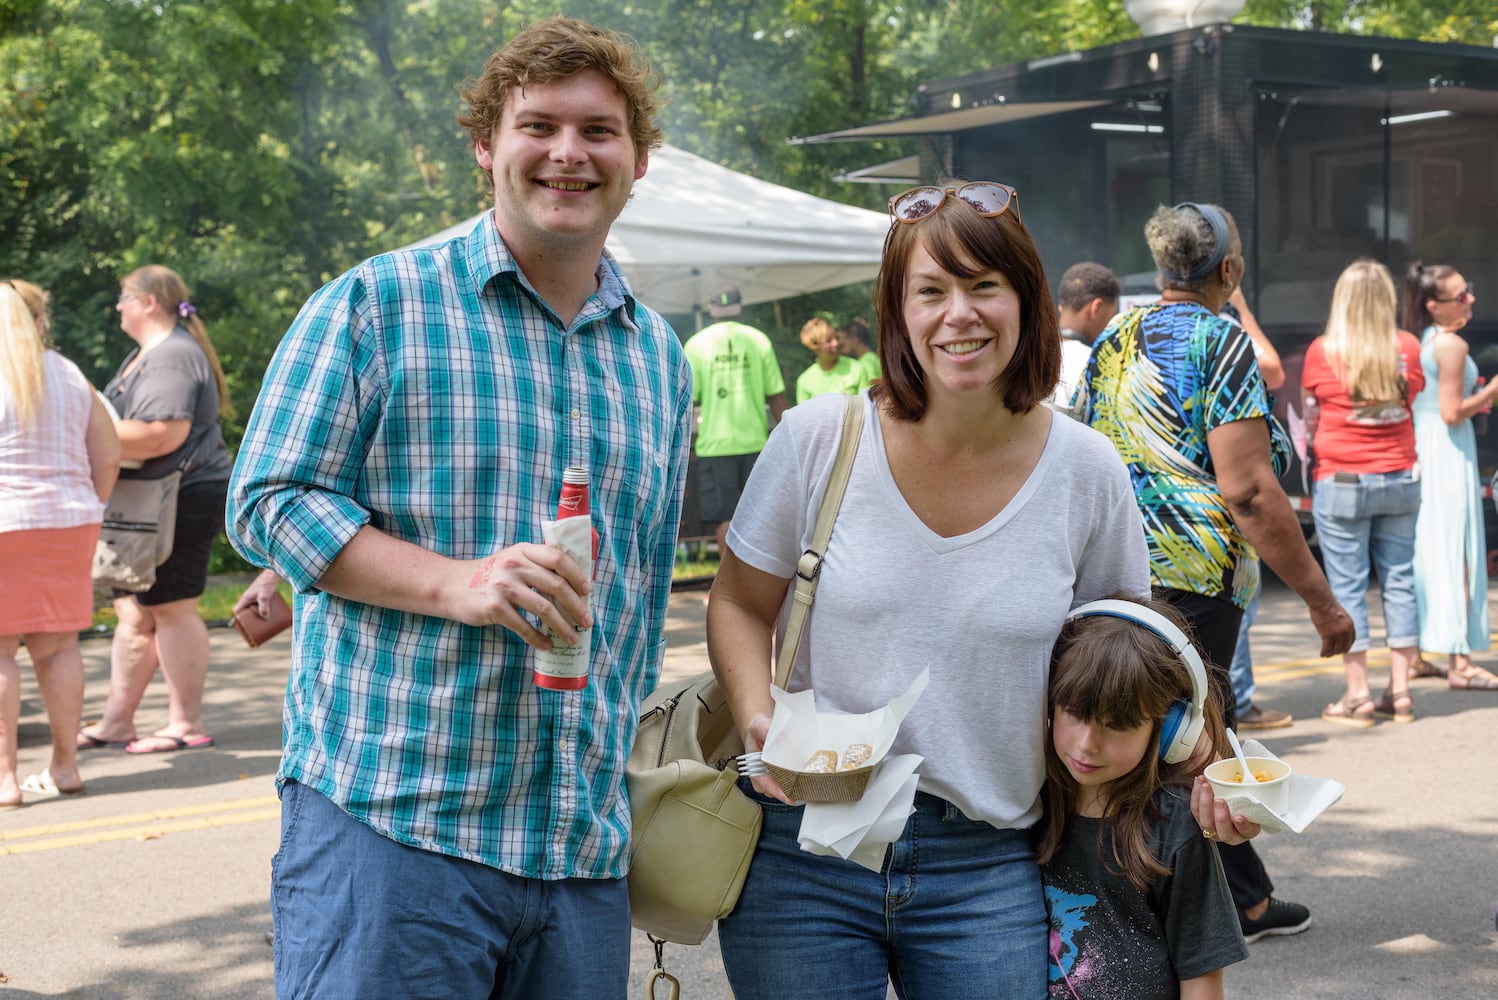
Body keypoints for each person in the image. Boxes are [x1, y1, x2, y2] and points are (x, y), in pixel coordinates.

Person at [227, 18, 692, 998]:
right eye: (540, 125)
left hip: (579, 843)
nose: (569, 152)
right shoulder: (376, 303)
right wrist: (456, 584)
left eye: (599, 131)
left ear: (638, 159)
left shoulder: (658, 355)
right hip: (396, 829)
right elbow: (268, 497)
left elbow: (640, 590)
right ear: (487, 145)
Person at [708, 181, 1252, 999]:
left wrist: (1209, 762)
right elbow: (739, 605)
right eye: (930, 290)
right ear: (897, 310)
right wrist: (758, 715)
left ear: (1026, 300)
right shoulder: (817, 439)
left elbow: (1129, 665)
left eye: (982, 286)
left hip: (989, 859)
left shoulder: (1085, 470)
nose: (957, 313)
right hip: (804, 850)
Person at [1078, 201, 1355, 944]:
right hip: (1196, 572)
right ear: (1228, 270)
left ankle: (1243, 895)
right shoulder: (1221, 340)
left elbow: (1079, 439)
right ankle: (1214, 905)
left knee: (1173, 732)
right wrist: (1323, 604)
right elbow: (1248, 490)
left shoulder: (1114, 334)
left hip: (1115, 564)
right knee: (1188, 737)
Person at [1040, 596, 1247, 1000]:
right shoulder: (1029, 804)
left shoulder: (1175, 827)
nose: (1087, 745)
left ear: (1170, 732)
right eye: (1075, 713)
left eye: (1117, 725)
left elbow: (1202, 977)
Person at [76, 265, 232, 756]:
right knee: (134, 613)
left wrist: (74, 430)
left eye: (123, 297)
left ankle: (185, 724)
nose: (117, 306)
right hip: (150, 501)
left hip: (181, 496)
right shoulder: (148, 354)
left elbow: (161, 434)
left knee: (171, 608)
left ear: (148, 302)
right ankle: (118, 722)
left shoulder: (171, 357)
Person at [0, 280, 120, 806]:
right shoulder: (70, 373)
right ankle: (65, 766)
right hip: (68, 520)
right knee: (58, 648)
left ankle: (4, 778)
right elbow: (108, 452)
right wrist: (92, 505)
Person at [1301, 260, 1426, 726]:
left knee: (1348, 585)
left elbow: (1313, 408)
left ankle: (1358, 694)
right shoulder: (1408, 347)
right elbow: (1411, 397)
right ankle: (1402, 692)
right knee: (1400, 581)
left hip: (1344, 481)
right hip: (1400, 476)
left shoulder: (1323, 350)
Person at [1406, 261, 1498, 691]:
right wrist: (1491, 389)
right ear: (1434, 306)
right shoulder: (1452, 346)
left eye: (1469, 290)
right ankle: (1461, 662)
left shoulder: (1423, 341)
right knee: (1458, 550)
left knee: (1429, 552)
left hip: (1426, 446)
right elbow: (1451, 411)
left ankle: (1423, 652)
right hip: (1448, 450)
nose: (1471, 299)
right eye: (1461, 295)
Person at [1222, 285, 1293, 731]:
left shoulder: (1134, 334)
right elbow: (1272, 369)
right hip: (1223, 512)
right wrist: (1243, 308)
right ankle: (1240, 703)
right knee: (1240, 607)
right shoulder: (1223, 331)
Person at [681, 283, 788, 556]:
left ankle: (729, 591)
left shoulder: (697, 344)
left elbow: (689, 399)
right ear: (740, 307)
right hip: (755, 442)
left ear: (711, 309)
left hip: (716, 445)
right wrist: (789, 437)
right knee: (762, 517)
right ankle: (761, 589)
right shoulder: (758, 339)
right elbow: (776, 395)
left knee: (724, 518)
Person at [1050, 261, 1119, 411]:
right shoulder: (1096, 365)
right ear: (1096, 307)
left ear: (1061, 307)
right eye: (1111, 316)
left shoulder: (1032, 354)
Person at [794, 315, 867, 403]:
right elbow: (804, 415)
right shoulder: (804, 381)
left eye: (836, 338)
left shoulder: (857, 369)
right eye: (828, 341)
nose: (836, 343)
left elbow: (867, 408)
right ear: (815, 347)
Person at [840, 315, 881, 382]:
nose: (842, 350)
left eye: (844, 344)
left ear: (855, 340)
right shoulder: (871, 358)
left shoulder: (867, 362)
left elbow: (870, 389)